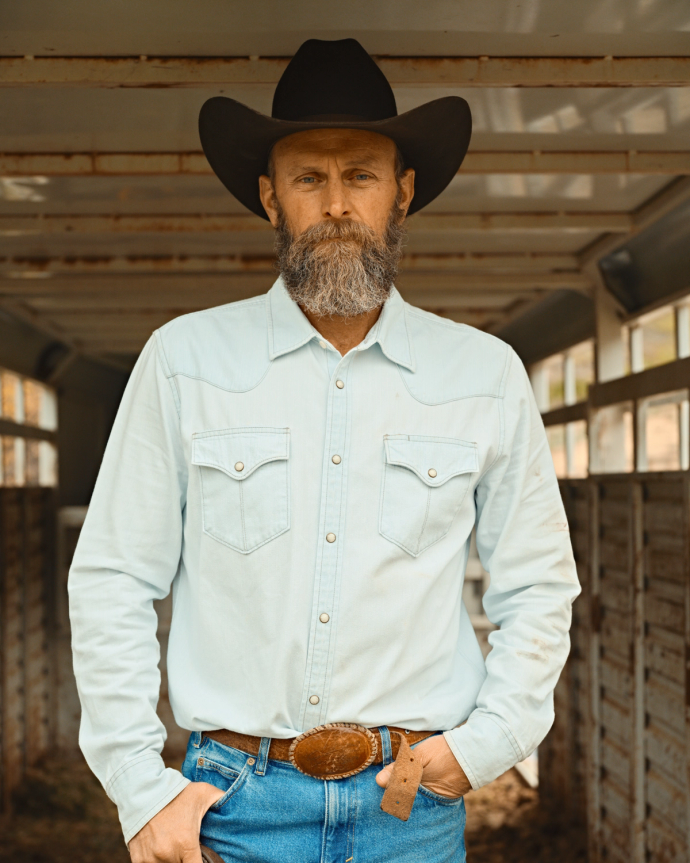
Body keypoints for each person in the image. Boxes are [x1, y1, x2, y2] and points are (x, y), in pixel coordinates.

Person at [69, 38, 580, 863]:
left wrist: (486, 742)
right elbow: (113, 581)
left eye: (361, 175)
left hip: (408, 805)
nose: (336, 203)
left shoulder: (483, 375)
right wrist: (139, 787)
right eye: (310, 178)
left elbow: (539, 583)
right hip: (227, 807)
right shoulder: (184, 360)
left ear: (402, 193)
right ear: (272, 198)